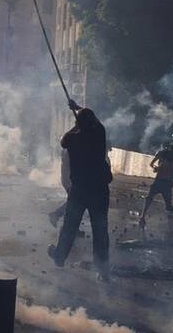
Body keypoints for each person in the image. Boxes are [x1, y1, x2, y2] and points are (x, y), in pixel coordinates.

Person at [48, 101, 112, 281]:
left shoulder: (73, 138)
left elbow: (63, 141)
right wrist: (78, 109)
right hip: (99, 189)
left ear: (78, 124)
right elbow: (97, 123)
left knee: (70, 226)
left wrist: (76, 123)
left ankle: (60, 257)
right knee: (100, 229)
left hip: (80, 190)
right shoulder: (99, 135)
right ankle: (103, 270)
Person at [140, 141, 173, 228]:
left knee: (167, 205)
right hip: (161, 181)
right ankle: (142, 217)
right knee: (149, 198)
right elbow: (152, 164)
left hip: (166, 183)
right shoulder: (164, 154)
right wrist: (156, 168)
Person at [47, 147, 70, 227]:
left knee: (75, 203)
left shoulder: (68, 149)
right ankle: (56, 215)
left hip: (68, 180)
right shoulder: (70, 150)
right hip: (71, 181)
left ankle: (72, 228)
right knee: (74, 203)